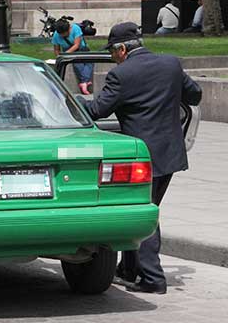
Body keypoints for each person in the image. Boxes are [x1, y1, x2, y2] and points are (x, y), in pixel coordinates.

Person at [81, 22, 202, 294]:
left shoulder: (121, 75)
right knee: (146, 208)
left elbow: (98, 110)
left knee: (143, 215)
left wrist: (73, 103)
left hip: (141, 156)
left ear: (122, 49)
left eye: (113, 51)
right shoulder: (171, 64)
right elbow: (195, 94)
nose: (112, 56)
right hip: (169, 153)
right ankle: (129, 268)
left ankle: (153, 278)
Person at [52, 19, 94, 95]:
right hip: (67, 52)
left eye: (64, 34)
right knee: (77, 63)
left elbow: (76, 45)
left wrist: (65, 54)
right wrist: (59, 57)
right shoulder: (56, 35)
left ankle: (84, 82)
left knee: (90, 62)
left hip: (81, 50)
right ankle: (85, 82)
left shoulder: (75, 28)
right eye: (61, 34)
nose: (63, 36)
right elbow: (56, 49)